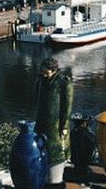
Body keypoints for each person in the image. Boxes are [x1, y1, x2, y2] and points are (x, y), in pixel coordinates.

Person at [35, 58, 73, 189]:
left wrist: (65, 126)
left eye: (47, 73)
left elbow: (67, 106)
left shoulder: (63, 83)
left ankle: (56, 181)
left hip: (56, 126)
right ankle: (46, 180)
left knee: (56, 153)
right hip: (42, 123)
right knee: (42, 149)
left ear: (54, 71)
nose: (44, 75)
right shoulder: (40, 81)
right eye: (43, 73)